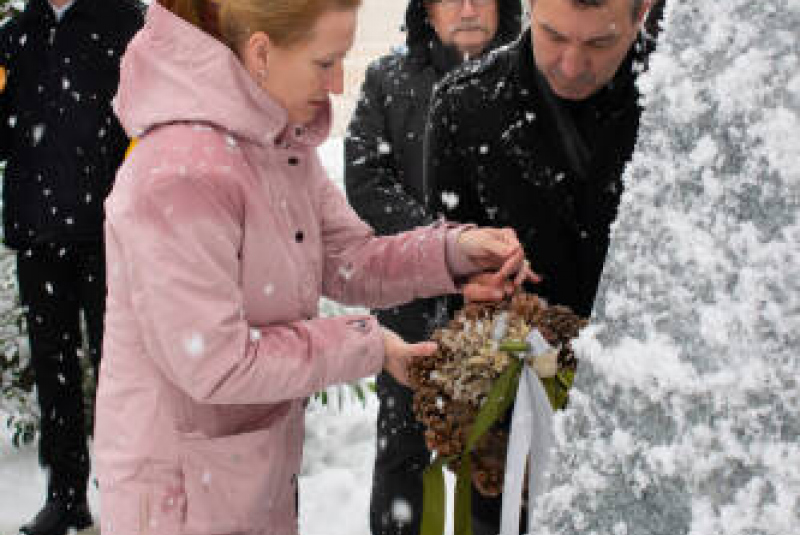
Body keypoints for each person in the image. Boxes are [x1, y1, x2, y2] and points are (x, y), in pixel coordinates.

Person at [92, 1, 536, 535]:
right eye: (326, 61)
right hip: (178, 500)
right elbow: (216, 362)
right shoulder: (180, 174)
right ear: (261, 53)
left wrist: (455, 252)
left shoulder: (276, 145)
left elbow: (350, 260)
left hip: (247, 479)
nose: (337, 81)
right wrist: (369, 345)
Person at [425, 0, 662, 532]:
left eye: (600, 44)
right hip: (512, 440)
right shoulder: (464, 106)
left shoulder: (683, 103)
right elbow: (439, 284)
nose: (571, 66)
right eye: (552, 35)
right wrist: (467, 288)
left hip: (648, 430)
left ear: (642, 11)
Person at [344, 1, 522, 533]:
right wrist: (446, 249)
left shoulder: (530, 78)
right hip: (410, 307)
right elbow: (366, 180)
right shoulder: (388, 79)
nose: (467, 8)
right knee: (404, 454)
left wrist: (499, 259)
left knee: (494, 456)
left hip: (504, 303)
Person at [0, 1, 143, 534]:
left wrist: (127, 195)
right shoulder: (16, 35)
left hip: (109, 234)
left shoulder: (124, 23)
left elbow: (149, 124)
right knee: (54, 376)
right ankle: (65, 498)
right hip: (38, 234)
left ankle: (128, 494)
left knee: (120, 373)